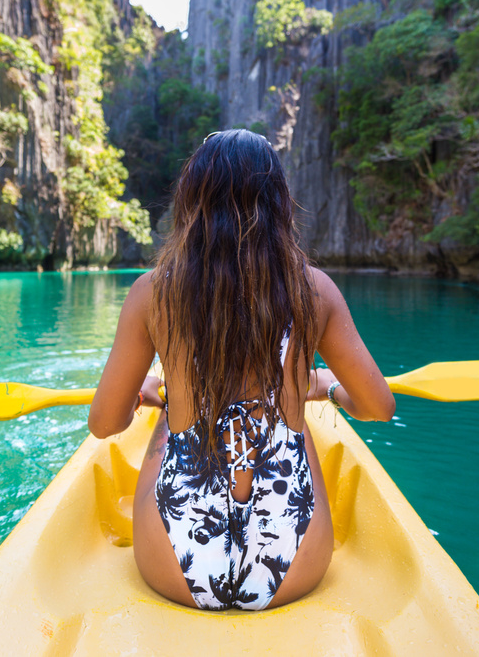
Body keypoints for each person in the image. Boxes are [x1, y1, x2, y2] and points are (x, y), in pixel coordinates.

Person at [88, 129, 394, 611]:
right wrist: (327, 388)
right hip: (292, 563)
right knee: (295, 428)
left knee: (171, 421)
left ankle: (174, 402)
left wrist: (150, 394)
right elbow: (378, 406)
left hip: (175, 561)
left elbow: (105, 423)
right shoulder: (315, 291)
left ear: (191, 202)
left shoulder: (153, 293)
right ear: (279, 204)